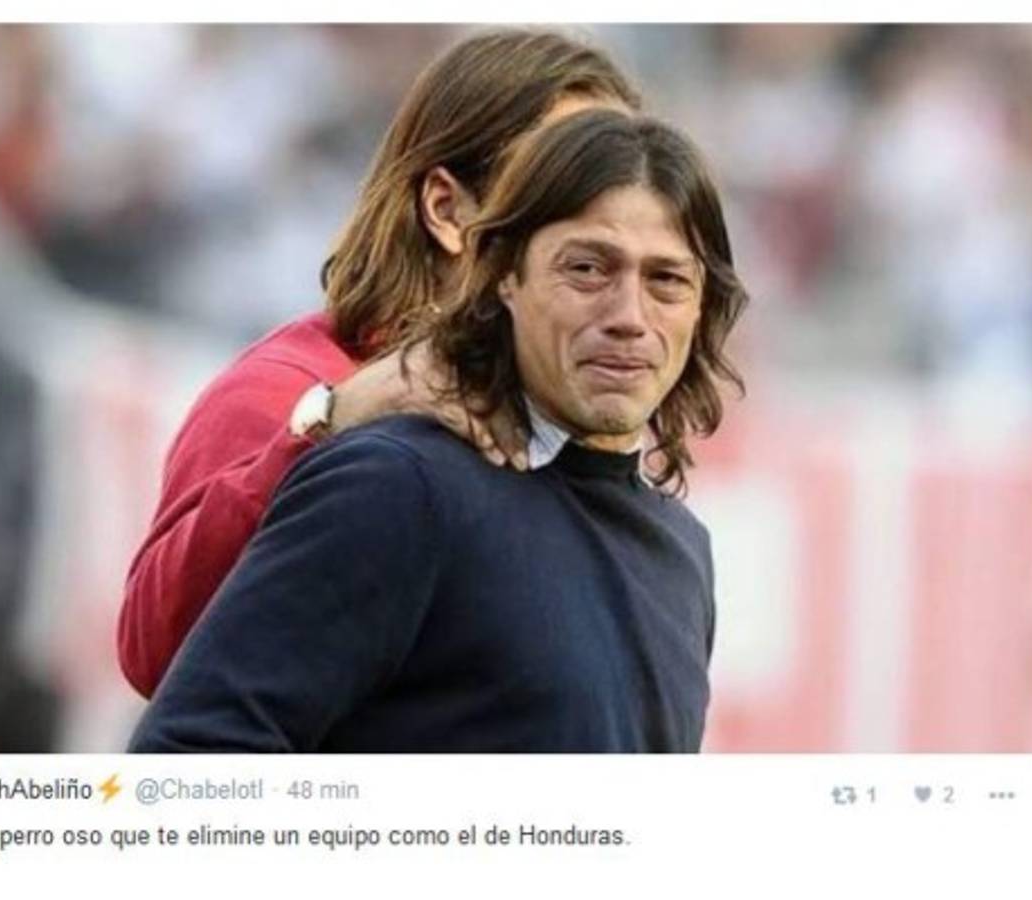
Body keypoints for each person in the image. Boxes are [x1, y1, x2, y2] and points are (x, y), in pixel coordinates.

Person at [128, 108, 749, 753]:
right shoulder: (396, 485)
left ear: (704, 305)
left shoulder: (683, 550)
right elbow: (186, 758)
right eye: (588, 269)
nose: (629, 316)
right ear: (504, 275)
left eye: (667, 280)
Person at [116, 28, 641, 698]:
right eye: (560, 188)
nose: (599, 230)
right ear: (447, 210)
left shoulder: (591, 443)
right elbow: (157, 653)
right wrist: (327, 426)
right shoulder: (287, 391)